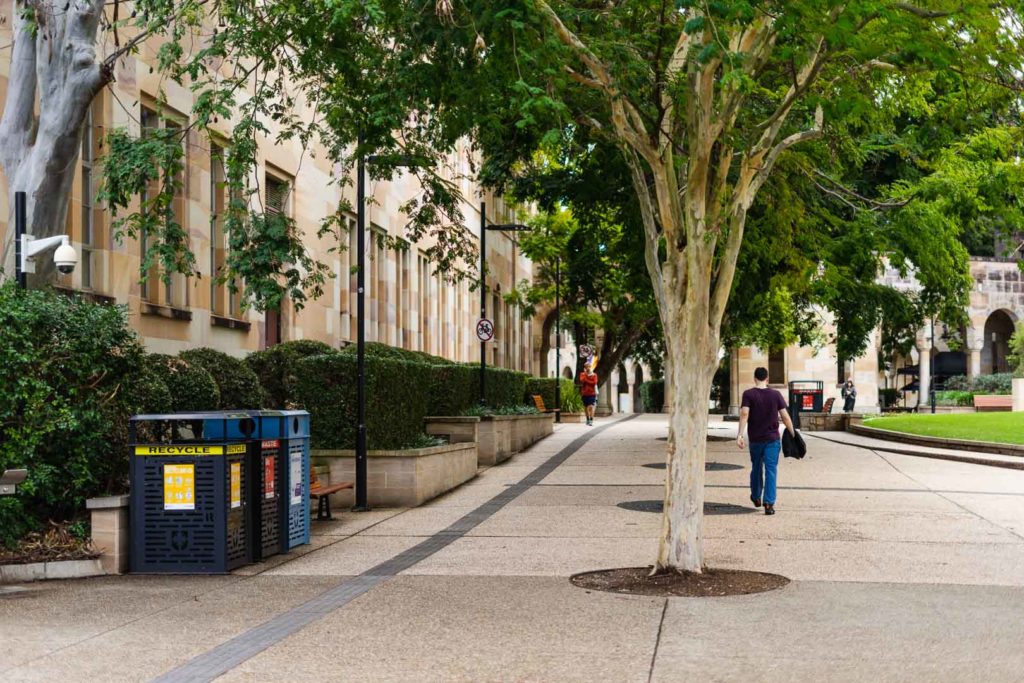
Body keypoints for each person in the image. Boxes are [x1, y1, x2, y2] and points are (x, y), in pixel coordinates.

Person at [737, 367, 796, 516]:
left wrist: (740, 435)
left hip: (756, 439)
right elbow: (785, 416)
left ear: (754, 378)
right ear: (767, 379)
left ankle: (756, 496)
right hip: (772, 439)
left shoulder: (748, 394)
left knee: (756, 467)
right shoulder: (775, 394)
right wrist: (793, 433)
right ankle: (769, 503)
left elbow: (744, 413)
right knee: (771, 470)